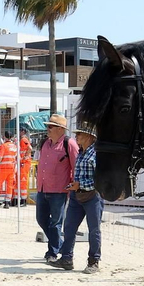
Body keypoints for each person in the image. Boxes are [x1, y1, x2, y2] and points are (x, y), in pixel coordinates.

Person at [55, 122, 104, 273]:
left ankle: (93, 261)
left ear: (90, 137)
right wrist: (75, 186)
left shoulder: (95, 154)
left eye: (80, 134)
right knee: (69, 227)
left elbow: (99, 180)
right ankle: (66, 258)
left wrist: (79, 184)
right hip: (78, 196)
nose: (77, 136)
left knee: (94, 229)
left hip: (92, 196)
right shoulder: (82, 152)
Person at [35, 116, 79, 262]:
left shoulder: (69, 144)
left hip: (59, 191)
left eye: (50, 127)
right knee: (41, 219)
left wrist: (74, 185)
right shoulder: (45, 143)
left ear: (60, 129)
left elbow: (76, 166)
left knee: (55, 223)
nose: (47, 129)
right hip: (42, 188)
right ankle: (59, 245)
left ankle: (52, 252)